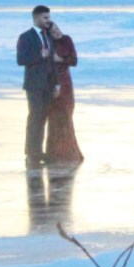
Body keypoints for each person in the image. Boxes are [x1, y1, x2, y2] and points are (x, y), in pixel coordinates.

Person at [17, 5, 58, 168]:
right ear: (36, 18)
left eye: (48, 17)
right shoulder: (25, 37)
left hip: (48, 84)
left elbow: (52, 62)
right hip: (34, 85)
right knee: (34, 118)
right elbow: (21, 59)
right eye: (45, 18)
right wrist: (39, 56)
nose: (48, 20)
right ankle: (31, 153)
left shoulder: (48, 37)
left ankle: (39, 152)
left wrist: (56, 83)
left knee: (43, 118)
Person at [44, 21, 84, 164]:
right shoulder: (48, 45)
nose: (57, 33)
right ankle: (55, 153)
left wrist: (60, 59)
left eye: (57, 29)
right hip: (54, 83)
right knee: (56, 119)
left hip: (66, 83)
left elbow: (74, 61)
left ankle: (68, 152)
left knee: (67, 115)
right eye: (54, 32)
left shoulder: (67, 40)